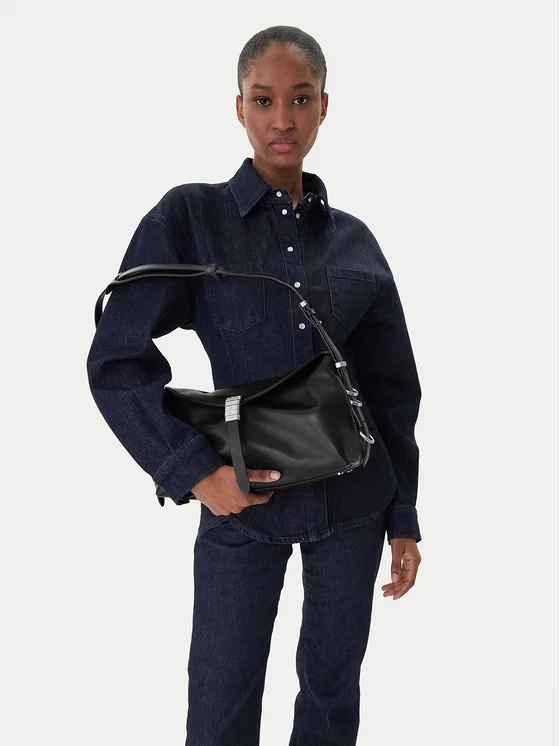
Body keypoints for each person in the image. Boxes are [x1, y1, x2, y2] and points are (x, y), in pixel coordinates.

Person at [87, 25, 423, 746]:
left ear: (324, 106)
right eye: (264, 100)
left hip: (356, 502)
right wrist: (192, 471)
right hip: (241, 500)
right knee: (219, 705)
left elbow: (392, 391)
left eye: (300, 99)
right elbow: (116, 359)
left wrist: (404, 515)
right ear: (239, 107)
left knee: (332, 700)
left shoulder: (355, 242)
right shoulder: (189, 216)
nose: (283, 119)